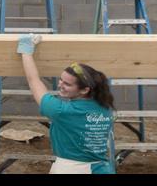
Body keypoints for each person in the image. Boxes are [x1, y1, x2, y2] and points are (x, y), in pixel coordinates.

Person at [16, 33, 116, 174]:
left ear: (84, 90)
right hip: (102, 168)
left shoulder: (62, 111)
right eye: (61, 80)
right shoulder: (105, 107)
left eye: (67, 84)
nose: (60, 85)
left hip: (71, 169)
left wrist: (26, 52)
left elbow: (34, 82)